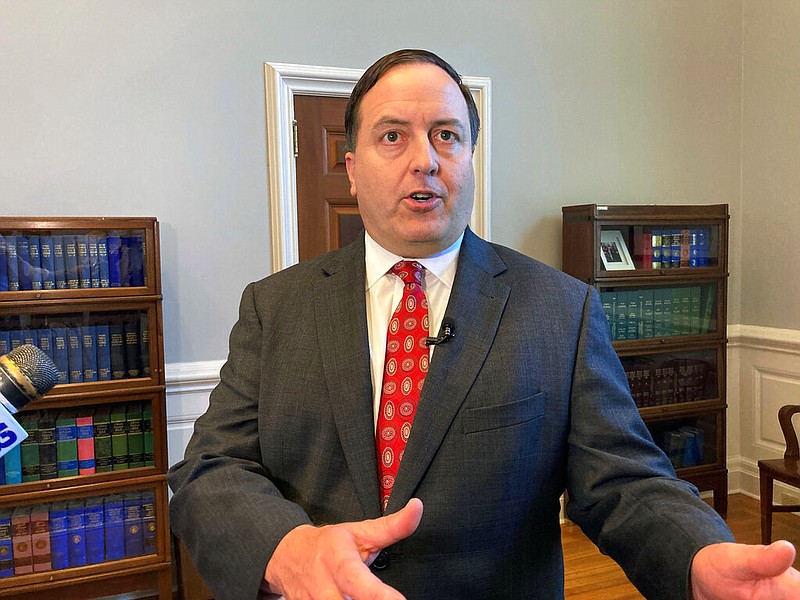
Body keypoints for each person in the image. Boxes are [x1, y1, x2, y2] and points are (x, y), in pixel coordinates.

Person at [167, 49, 800, 600]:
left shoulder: (561, 309)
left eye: (446, 135)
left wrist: (696, 555)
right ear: (352, 165)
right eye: (393, 136)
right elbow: (208, 470)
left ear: (470, 155)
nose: (425, 159)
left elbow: (625, 481)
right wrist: (286, 551)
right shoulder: (274, 309)